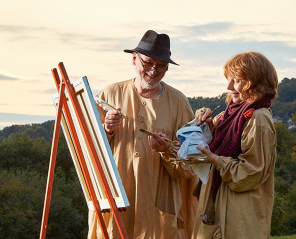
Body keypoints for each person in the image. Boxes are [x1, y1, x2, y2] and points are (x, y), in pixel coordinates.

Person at [88, 30, 198, 239]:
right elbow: (87, 150)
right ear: (134, 59)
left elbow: (189, 166)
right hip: (117, 202)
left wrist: (167, 149)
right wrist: (107, 130)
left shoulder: (179, 102)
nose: (154, 70)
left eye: (161, 66)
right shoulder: (109, 94)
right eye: (148, 63)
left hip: (159, 206)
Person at [191, 52, 278, 239]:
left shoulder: (258, 118)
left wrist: (215, 160)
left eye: (236, 80)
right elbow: (216, 145)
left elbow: (251, 173)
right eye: (229, 79)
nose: (229, 86)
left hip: (241, 219)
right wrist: (208, 127)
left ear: (255, 82)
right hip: (219, 211)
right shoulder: (227, 116)